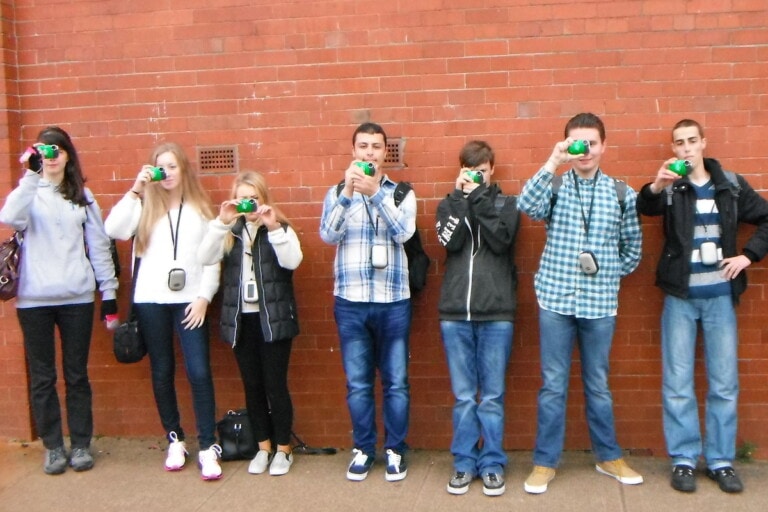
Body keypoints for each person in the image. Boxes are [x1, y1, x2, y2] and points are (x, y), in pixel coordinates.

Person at [636, 119, 768, 494]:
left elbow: (766, 219)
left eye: (692, 141)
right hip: (680, 297)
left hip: (720, 298)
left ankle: (721, 460)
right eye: (679, 143)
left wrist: (747, 256)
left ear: (704, 143)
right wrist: (657, 185)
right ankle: (683, 460)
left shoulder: (731, 185)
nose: (686, 148)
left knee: (724, 383)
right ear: (674, 148)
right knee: (678, 383)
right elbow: (643, 205)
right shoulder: (672, 187)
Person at [517, 113, 644, 494]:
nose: (584, 150)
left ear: (604, 145)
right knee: (553, 385)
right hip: (555, 298)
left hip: (600, 304)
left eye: (591, 142)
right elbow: (526, 205)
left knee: (599, 384)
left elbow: (632, 250)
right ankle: (544, 462)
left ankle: (608, 456)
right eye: (576, 142)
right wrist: (552, 161)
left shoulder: (622, 194)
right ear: (566, 144)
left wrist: (604, 274)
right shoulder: (554, 187)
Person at [0, 127, 118, 475]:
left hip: (77, 297)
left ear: (68, 155)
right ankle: (53, 447)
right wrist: (30, 175)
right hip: (34, 299)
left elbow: (98, 245)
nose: (52, 156)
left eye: (58, 150)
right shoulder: (28, 191)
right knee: (42, 376)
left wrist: (108, 292)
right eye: (45, 151)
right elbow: (9, 217)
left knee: (76, 374)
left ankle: (81, 443)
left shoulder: (82, 195)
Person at [104, 142, 222, 480]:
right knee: (162, 370)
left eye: (173, 166)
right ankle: (174, 438)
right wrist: (137, 189)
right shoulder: (144, 207)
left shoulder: (200, 209)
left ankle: (208, 444)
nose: (167, 173)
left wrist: (203, 297)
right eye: (160, 168)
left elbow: (212, 256)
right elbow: (113, 230)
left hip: (189, 301)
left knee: (199, 371)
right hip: (151, 299)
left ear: (184, 170)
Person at [319, 122, 416, 482]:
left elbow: (404, 232)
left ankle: (395, 450)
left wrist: (376, 193)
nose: (370, 152)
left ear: (385, 152)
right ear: (354, 150)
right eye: (364, 146)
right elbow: (328, 234)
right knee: (358, 383)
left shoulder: (402, 192)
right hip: (351, 301)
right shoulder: (336, 192)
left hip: (393, 301)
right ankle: (363, 449)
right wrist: (348, 192)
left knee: (396, 382)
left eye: (377, 147)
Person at [198, 171, 302, 476]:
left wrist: (272, 227)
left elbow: (293, 261)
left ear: (264, 198)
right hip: (241, 320)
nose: (249, 204)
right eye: (243, 198)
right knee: (252, 386)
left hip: (274, 319)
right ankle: (263, 445)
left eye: (254, 197)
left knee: (275, 385)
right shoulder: (229, 231)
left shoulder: (278, 227)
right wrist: (222, 222)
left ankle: (283, 448)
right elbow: (204, 257)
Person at [435, 140, 520, 496]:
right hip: (456, 313)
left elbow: (501, 240)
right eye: (471, 171)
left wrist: (480, 198)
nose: (477, 176)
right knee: (465, 396)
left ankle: (492, 463)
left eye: (482, 171)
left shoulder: (506, 203)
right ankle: (464, 463)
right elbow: (448, 242)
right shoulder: (448, 204)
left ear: (492, 169)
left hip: (496, 312)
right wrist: (460, 200)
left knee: (492, 396)